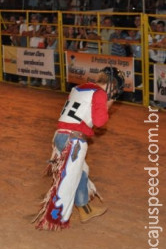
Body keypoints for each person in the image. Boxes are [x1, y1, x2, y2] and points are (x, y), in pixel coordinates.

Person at [34, 67, 125, 230]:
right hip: (74, 141)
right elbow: (99, 122)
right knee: (67, 180)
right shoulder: (99, 94)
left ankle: (84, 209)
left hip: (60, 136)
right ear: (111, 84)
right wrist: (108, 104)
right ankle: (54, 218)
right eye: (116, 88)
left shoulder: (79, 88)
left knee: (81, 172)